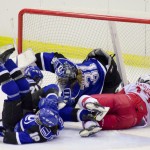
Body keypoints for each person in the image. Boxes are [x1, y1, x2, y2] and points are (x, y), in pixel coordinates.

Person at [23, 65, 110, 137]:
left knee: (60, 111)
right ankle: (89, 114)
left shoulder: (20, 83)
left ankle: (89, 117)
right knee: (59, 106)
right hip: (31, 113)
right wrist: (58, 101)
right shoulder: (36, 87)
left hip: (21, 115)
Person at [0, 48, 63, 144]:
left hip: (12, 123)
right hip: (27, 112)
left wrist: (4, 132)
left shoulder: (41, 133)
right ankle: (6, 61)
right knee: (24, 85)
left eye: (39, 118)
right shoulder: (55, 120)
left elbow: (16, 138)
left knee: (13, 90)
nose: (37, 117)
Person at [34, 48, 122, 107]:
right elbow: (52, 58)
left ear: (72, 79)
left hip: (109, 78)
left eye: (64, 80)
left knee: (100, 105)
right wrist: (33, 59)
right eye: (61, 79)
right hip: (97, 62)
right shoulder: (64, 65)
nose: (61, 82)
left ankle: (118, 91)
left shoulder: (74, 89)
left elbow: (64, 108)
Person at [77, 74, 150, 137]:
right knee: (97, 121)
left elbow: (118, 95)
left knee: (83, 99)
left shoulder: (136, 85)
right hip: (133, 120)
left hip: (125, 101)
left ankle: (94, 107)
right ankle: (92, 125)